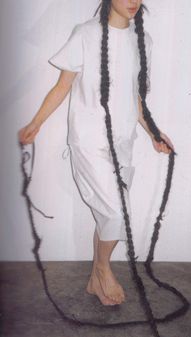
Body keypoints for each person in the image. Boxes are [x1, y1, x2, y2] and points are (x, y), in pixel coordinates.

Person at [18, 0, 175, 307]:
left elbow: (136, 99)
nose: (132, 1)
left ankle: (94, 280)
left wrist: (154, 132)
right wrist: (35, 123)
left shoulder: (144, 41)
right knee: (117, 212)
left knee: (110, 215)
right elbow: (63, 86)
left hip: (123, 142)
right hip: (88, 140)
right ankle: (103, 270)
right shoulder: (86, 34)